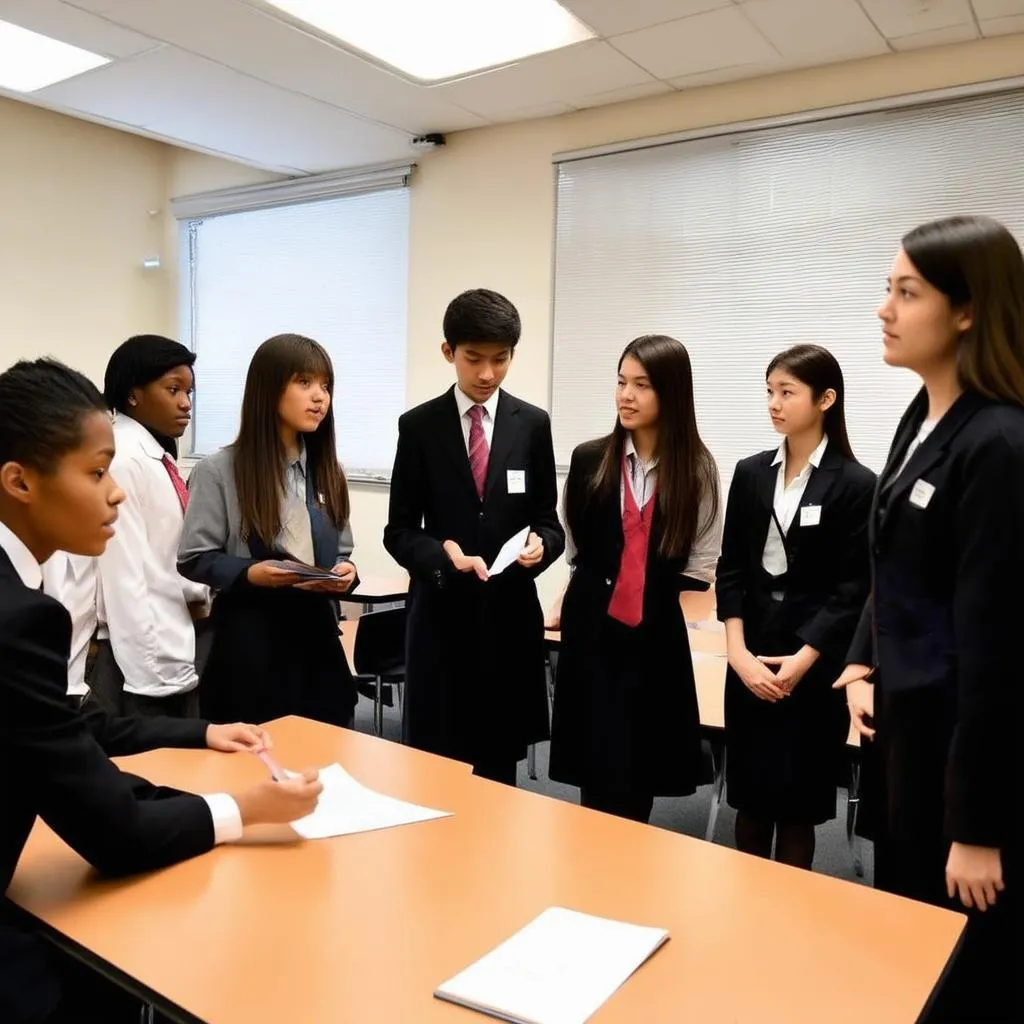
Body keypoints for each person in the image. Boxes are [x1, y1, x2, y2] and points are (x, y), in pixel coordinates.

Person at [0, 358, 322, 1024]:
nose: (115, 494)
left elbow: (66, 727)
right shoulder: (16, 619)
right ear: (20, 481)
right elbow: (113, 830)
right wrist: (246, 810)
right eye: (95, 474)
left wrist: (201, 732)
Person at [835, 215, 1022, 1021]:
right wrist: (858, 659)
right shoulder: (923, 418)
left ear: (969, 309)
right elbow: (896, 564)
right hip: (907, 748)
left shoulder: (1000, 445)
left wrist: (979, 828)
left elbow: (1001, 648)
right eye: (887, 289)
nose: (885, 308)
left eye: (907, 292)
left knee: (967, 982)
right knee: (906, 957)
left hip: (967, 768)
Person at [383, 288, 564, 784]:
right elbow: (398, 531)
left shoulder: (532, 425)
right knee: (436, 768)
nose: (487, 374)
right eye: (474, 359)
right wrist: (440, 555)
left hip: (506, 619)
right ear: (449, 352)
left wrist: (542, 546)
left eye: (500, 360)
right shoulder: (419, 426)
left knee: (497, 766)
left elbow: (549, 521)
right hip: (442, 619)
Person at [548, 334, 721, 822]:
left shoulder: (697, 469)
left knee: (639, 759)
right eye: (621, 382)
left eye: (642, 385)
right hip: (593, 621)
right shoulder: (589, 459)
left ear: (671, 392)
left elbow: (701, 561)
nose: (626, 395)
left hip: (655, 627)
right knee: (595, 756)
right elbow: (577, 544)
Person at [715, 344, 875, 868]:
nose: (774, 404)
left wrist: (804, 661)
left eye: (787, 392)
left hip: (812, 662)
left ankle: (789, 917)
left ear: (826, 399)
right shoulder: (751, 471)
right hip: (751, 652)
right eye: (769, 392)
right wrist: (736, 651)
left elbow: (852, 589)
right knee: (751, 797)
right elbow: (732, 567)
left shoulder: (855, 483)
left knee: (798, 806)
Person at [179, 334, 358, 728]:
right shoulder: (219, 470)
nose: (319, 397)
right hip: (251, 644)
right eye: (304, 382)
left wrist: (346, 572)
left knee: (325, 761)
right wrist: (249, 573)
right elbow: (194, 557)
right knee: (253, 768)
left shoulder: (328, 471)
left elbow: (342, 552)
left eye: (325, 386)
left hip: (318, 644)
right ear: (268, 388)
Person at [94, 335, 210, 717]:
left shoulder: (155, 454)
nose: (185, 403)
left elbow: (164, 554)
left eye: (189, 391)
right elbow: (123, 576)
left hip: (170, 637)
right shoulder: (124, 458)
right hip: (139, 658)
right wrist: (152, 675)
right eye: (173, 389)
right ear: (132, 395)